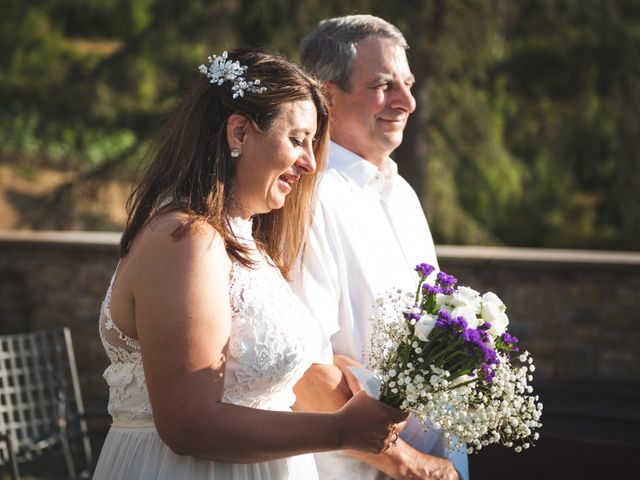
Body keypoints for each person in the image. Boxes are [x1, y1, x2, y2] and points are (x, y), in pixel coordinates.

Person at [92, 47, 409, 480]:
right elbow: (189, 425)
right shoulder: (185, 239)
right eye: (298, 140)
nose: (310, 162)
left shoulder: (244, 240)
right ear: (239, 132)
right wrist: (339, 431)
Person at [290, 15, 469, 480]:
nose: (407, 101)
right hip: (347, 469)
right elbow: (302, 368)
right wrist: (407, 466)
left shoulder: (402, 193)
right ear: (326, 96)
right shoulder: (303, 197)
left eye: (407, 84)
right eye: (384, 85)